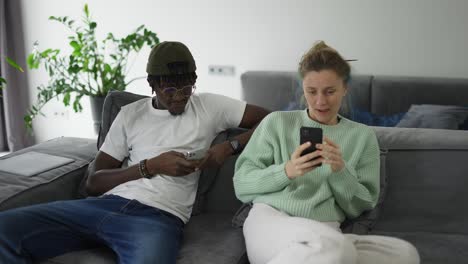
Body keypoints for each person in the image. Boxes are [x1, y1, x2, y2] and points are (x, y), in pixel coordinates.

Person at [0, 41, 269, 264]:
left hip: (158, 218)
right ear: (152, 84)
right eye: (170, 90)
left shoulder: (210, 106)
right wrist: (149, 166)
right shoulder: (130, 115)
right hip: (101, 206)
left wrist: (229, 146)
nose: (179, 97)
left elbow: (271, 120)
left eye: (186, 89)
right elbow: (93, 183)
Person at [233, 41, 420, 264]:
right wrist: (287, 171)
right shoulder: (276, 123)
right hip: (271, 220)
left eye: (330, 91)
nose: (320, 101)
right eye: (312, 91)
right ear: (303, 88)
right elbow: (242, 185)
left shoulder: (362, 136)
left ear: (345, 88)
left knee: (405, 254)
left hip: (325, 230)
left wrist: (340, 171)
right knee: (334, 250)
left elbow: (362, 204)